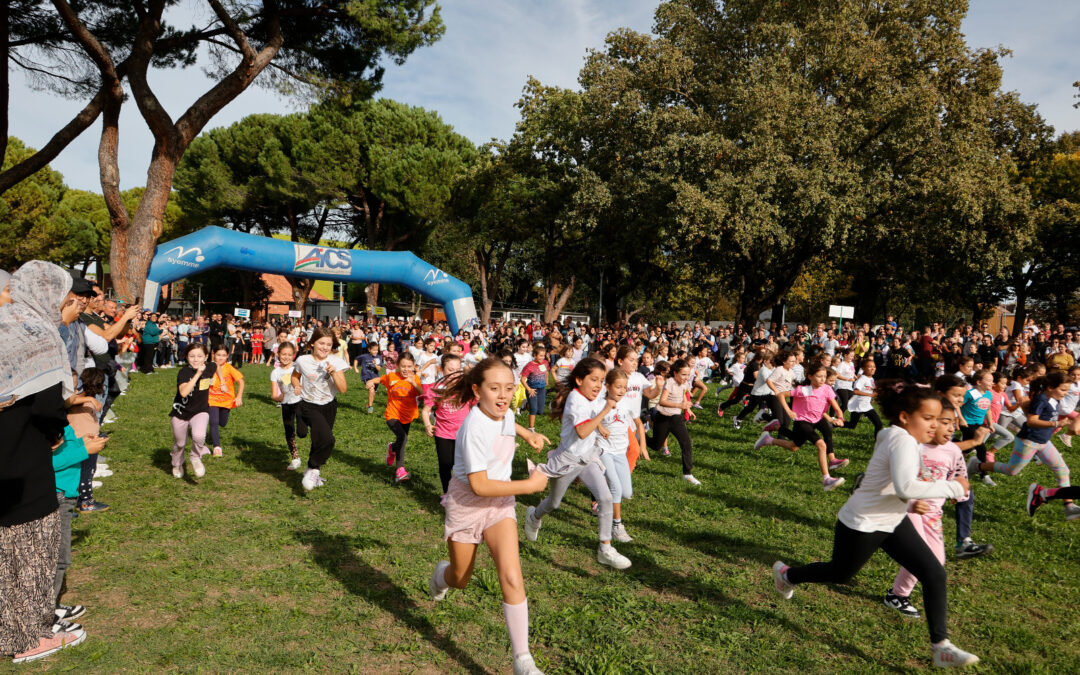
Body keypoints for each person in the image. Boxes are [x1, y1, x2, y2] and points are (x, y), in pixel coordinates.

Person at [771, 382, 979, 668]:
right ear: (905, 417)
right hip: (863, 523)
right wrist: (954, 487)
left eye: (937, 419)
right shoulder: (902, 440)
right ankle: (787, 575)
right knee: (840, 573)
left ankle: (941, 647)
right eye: (927, 418)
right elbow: (906, 486)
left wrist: (908, 502)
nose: (934, 425)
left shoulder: (893, 434)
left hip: (893, 520)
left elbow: (892, 481)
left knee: (934, 573)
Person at [426, 358, 550, 675]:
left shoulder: (503, 412)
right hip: (467, 504)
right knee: (461, 578)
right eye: (494, 388)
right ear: (477, 390)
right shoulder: (473, 428)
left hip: (500, 504)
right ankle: (442, 576)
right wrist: (530, 486)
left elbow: (507, 421)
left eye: (508, 388)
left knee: (511, 576)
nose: (503, 395)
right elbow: (479, 486)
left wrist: (528, 435)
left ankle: (523, 660)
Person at [0, 261, 88, 663]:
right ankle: (25, 638)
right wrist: (57, 435)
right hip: (23, 460)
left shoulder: (4, 324)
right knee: (30, 548)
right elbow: (48, 407)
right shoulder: (38, 333)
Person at [524, 358, 633, 570]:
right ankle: (534, 517)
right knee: (554, 503)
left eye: (601, 380)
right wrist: (604, 412)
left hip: (588, 456)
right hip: (567, 459)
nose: (598, 385)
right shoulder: (575, 399)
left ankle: (605, 549)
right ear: (579, 380)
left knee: (605, 498)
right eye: (594, 380)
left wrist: (601, 423)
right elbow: (582, 431)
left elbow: (595, 412)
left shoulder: (592, 396)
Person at [883, 401, 969, 618]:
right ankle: (899, 594)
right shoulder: (913, 445)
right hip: (907, 507)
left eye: (954, 424)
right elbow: (891, 476)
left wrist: (959, 493)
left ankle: (896, 595)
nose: (951, 429)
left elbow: (960, 475)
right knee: (920, 554)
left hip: (932, 513)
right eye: (946, 423)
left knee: (936, 561)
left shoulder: (953, 451)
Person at [969, 371, 1078, 520]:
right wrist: (1056, 423)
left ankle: (1069, 506)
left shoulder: (1053, 399)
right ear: (1051, 387)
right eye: (1063, 390)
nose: (1065, 393)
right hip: (1028, 442)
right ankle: (977, 466)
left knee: (1063, 470)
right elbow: (1032, 421)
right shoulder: (1041, 399)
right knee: (1011, 471)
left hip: (1044, 443)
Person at [754, 363, 849, 491]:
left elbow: (836, 408)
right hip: (802, 422)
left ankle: (768, 439)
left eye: (824, 376)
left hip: (817, 420)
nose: (822, 379)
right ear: (810, 376)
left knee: (793, 446)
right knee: (821, 445)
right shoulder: (804, 390)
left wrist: (840, 418)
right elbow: (781, 395)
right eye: (819, 376)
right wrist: (788, 411)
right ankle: (827, 479)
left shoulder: (827, 389)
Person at [293, 328, 349, 492]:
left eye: (329, 344)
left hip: (329, 406)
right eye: (321, 343)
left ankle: (311, 471)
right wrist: (296, 386)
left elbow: (343, 389)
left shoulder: (336, 362)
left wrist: (333, 373)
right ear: (312, 343)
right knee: (328, 440)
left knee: (319, 440)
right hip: (308, 405)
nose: (325, 347)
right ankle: (314, 469)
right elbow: (295, 377)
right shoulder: (303, 360)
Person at [367, 352, 422, 483]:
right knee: (403, 437)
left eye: (409, 366)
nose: (406, 369)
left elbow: (422, 394)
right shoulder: (392, 377)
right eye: (403, 366)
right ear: (397, 365)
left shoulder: (415, 378)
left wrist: (413, 383)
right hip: (392, 414)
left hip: (408, 415)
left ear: (413, 366)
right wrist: (370, 381)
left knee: (401, 440)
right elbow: (380, 379)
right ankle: (400, 470)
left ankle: (392, 448)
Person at [646, 359, 703, 485]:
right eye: (683, 374)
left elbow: (683, 397)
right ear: (675, 373)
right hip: (663, 418)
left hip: (676, 418)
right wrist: (679, 405)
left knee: (686, 443)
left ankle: (687, 474)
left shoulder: (684, 383)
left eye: (688, 374)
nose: (686, 377)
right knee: (656, 446)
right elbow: (662, 401)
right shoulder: (670, 382)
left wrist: (688, 409)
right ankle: (640, 436)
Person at [422, 353, 471, 495]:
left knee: (460, 466)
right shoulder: (437, 389)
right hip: (442, 432)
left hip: (463, 433)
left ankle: (461, 492)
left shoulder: (466, 388)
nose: (454, 373)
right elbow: (425, 411)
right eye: (450, 370)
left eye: (457, 370)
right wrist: (427, 425)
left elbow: (476, 406)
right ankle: (447, 493)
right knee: (445, 464)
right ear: (441, 369)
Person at [596, 368, 636, 542]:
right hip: (604, 450)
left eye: (624, 387)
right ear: (607, 386)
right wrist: (600, 427)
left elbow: (635, 422)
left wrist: (640, 444)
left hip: (621, 452)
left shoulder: (627, 404)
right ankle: (617, 526)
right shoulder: (600, 403)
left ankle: (604, 501)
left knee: (626, 492)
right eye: (618, 387)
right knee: (616, 488)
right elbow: (589, 420)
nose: (622, 390)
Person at [169, 344, 216, 479]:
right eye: (192, 356)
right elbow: (183, 393)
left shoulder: (210, 367)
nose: (196, 360)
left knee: (199, 436)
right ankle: (177, 463)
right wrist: (198, 374)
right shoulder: (184, 372)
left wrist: (222, 381)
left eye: (200, 356)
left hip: (201, 410)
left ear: (206, 357)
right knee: (180, 443)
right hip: (181, 412)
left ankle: (195, 457)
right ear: (186, 357)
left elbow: (216, 365)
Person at [270, 342, 307, 470]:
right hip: (286, 404)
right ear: (278, 354)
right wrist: (278, 397)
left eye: (289, 355)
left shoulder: (298, 367)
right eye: (283, 354)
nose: (286, 357)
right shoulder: (275, 373)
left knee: (302, 433)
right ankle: (295, 458)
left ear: (294, 355)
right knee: (289, 430)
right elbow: (274, 395)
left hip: (300, 402)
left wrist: (299, 388)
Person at [207, 346, 244, 457]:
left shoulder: (229, 368)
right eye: (218, 355)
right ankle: (217, 447)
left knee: (222, 423)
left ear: (227, 356)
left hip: (227, 400)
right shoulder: (209, 367)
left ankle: (215, 429)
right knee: (213, 422)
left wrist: (239, 397)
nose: (220, 358)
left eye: (223, 355)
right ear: (213, 354)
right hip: (212, 399)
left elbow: (241, 382)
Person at [846, 358, 883, 436]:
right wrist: (870, 395)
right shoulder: (862, 379)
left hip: (864, 405)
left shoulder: (871, 379)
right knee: (878, 424)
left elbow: (870, 389)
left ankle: (832, 423)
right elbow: (855, 391)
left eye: (874, 366)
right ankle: (832, 424)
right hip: (860, 404)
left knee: (852, 425)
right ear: (863, 368)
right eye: (870, 366)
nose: (873, 368)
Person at [519, 344, 550, 431]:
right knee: (533, 409)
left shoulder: (545, 363)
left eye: (543, 356)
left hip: (542, 389)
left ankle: (526, 404)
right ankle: (531, 428)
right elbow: (522, 379)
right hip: (532, 389)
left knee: (540, 411)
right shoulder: (529, 366)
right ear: (534, 355)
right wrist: (529, 389)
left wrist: (546, 380)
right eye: (540, 356)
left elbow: (547, 372)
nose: (542, 358)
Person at [358, 343, 383, 414]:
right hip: (367, 376)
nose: (376, 351)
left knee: (373, 392)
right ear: (369, 350)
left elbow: (379, 369)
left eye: (377, 350)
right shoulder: (365, 357)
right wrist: (356, 367)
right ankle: (370, 407)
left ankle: (369, 404)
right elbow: (356, 359)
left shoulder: (379, 357)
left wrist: (375, 364)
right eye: (374, 350)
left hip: (376, 377)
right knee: (371, 389)